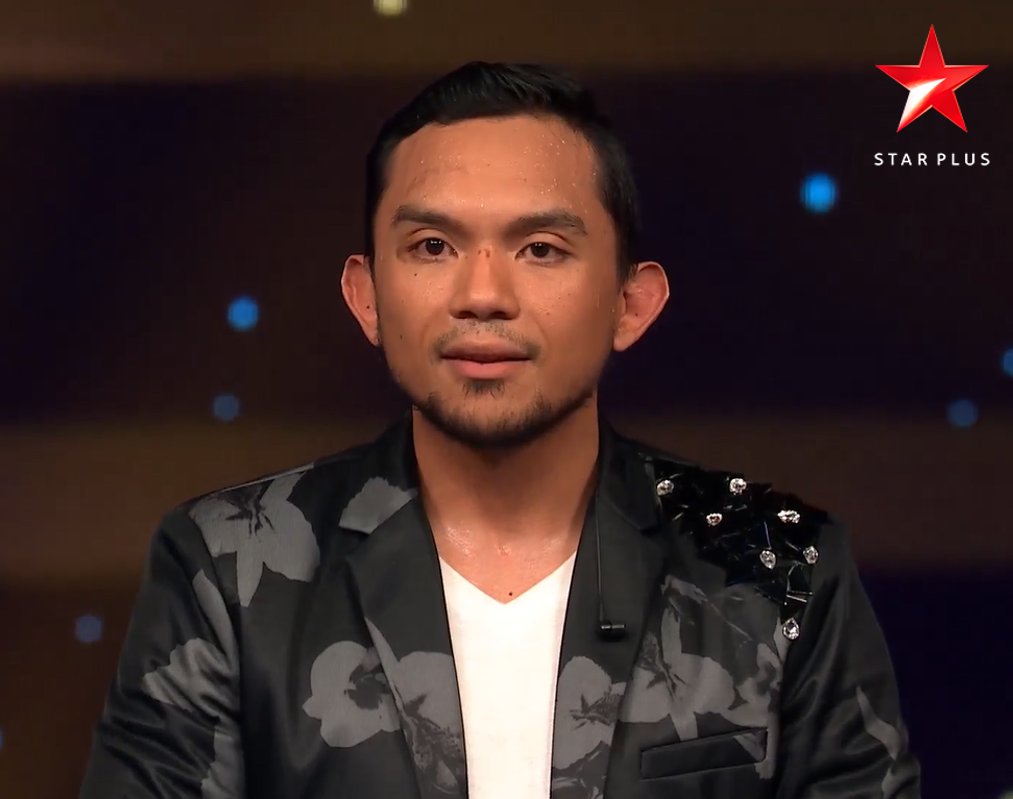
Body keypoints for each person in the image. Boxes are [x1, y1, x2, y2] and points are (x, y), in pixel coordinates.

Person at [80, 61, 921, 799]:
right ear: (366, 297)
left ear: (631, 302)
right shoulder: (227, 567)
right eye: (432, 245)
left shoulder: (777, 563)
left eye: (541, 249)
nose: (482, 294)